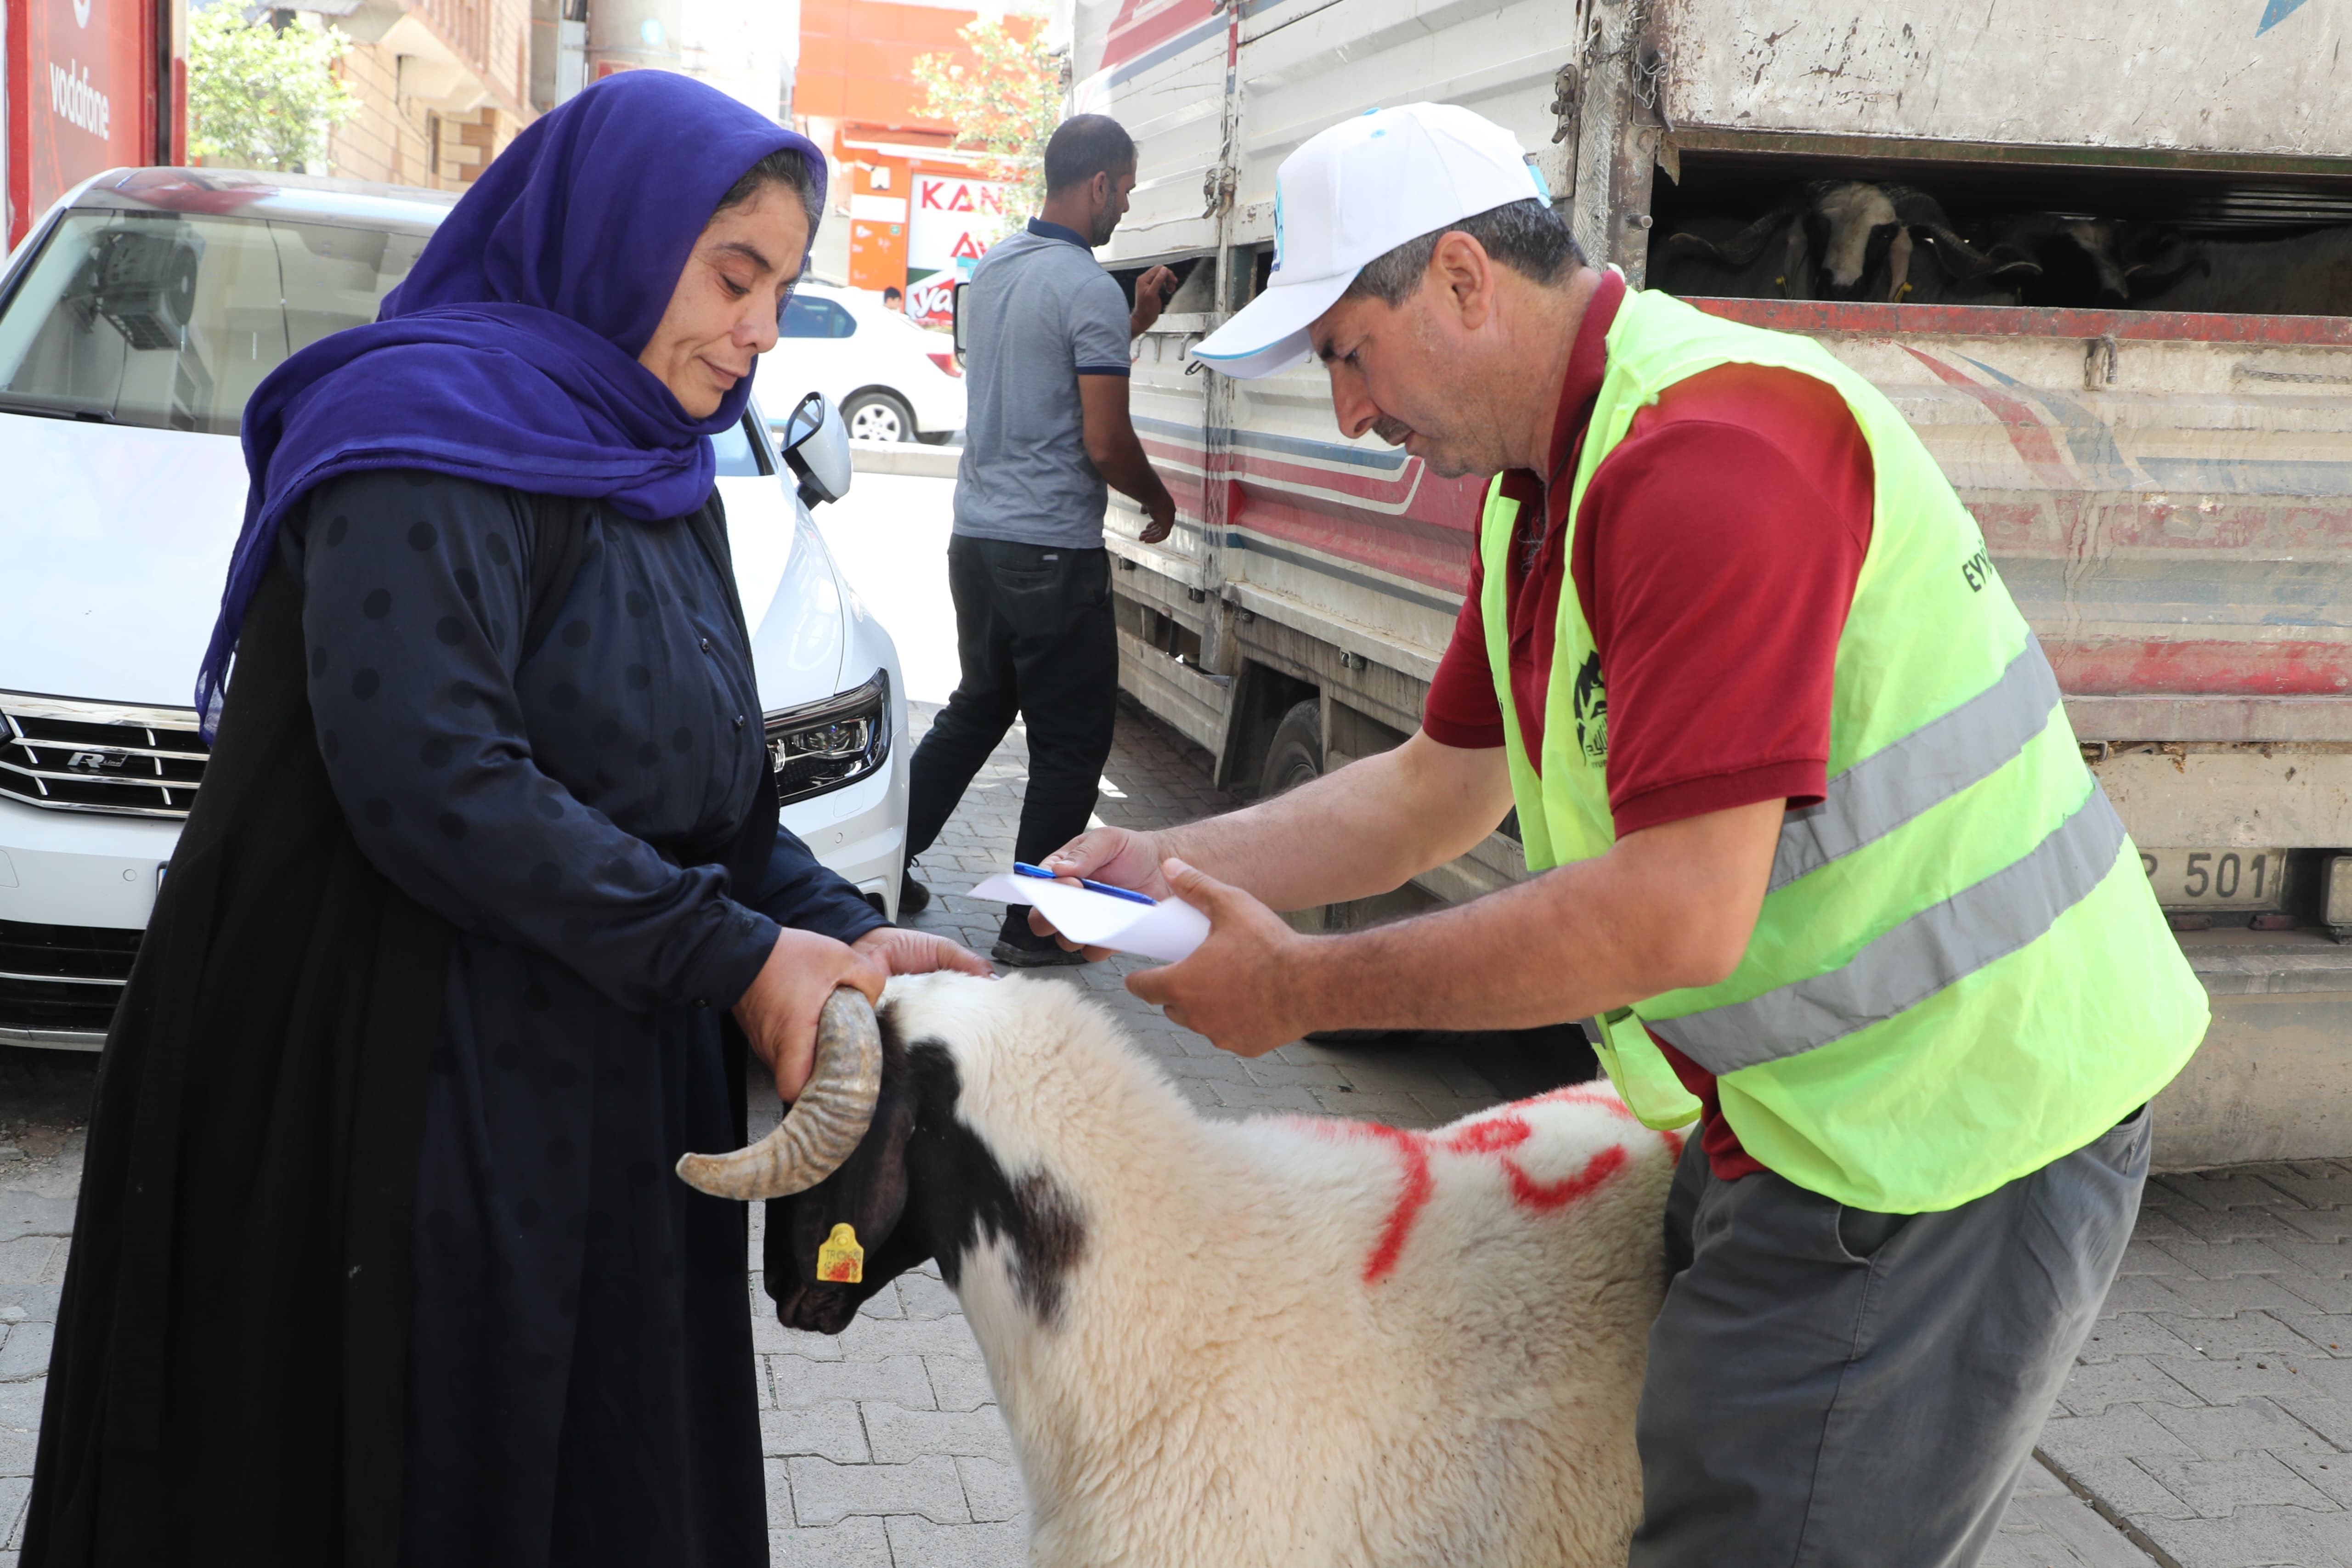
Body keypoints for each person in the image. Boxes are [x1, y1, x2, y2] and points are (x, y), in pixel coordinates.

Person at [1038, 103, 2210, 1564]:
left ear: (1463, 278)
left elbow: (1674, 914)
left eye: (1349, 354)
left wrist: (1302, 989)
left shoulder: (1708, 457)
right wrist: (1173, 868)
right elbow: (1435, 788)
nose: (1349, 412)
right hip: (1805, 1111)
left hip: (1955, 1126)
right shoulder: (1545, 486)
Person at [24, 71, 985, 1568]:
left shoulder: (660, 465)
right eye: (732, 275)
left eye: (780, 291)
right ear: (618, 237)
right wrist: (737, 960)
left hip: (603, 1099)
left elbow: (713, 802)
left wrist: (844, 934)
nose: (757, 329)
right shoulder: (419, 432)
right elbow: (434, 778)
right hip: (395, 1104)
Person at [898, 113, 1180, 962]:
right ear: (1097, 185)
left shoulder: (993, 270)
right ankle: (1033, 928)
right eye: (1124, 191)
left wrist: (1132, 320)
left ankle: (878, 864)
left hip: (977, 542)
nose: (1125, 207)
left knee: (978, 708)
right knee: (1070, 743)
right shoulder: (1084, 286)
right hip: (1051, 555)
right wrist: (1158, 498)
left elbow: (1045, 374)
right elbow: (1105, 441)